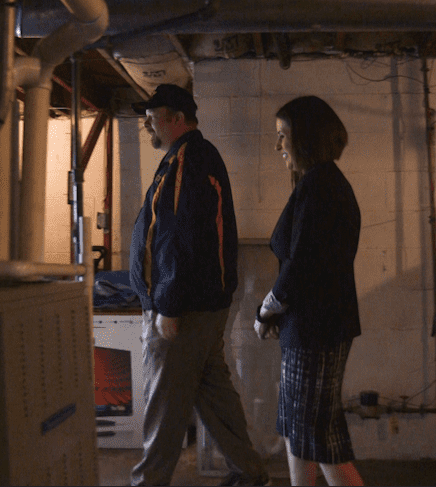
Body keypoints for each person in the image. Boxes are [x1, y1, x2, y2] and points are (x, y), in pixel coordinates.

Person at [128, 84, 271, 487]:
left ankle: (148, 483)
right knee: (214, 397)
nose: (148, 126)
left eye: (153, 118)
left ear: (176, 119)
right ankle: (251, 473)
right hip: (204, 306)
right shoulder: (196, 156)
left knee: (163, 404)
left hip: (184, 309)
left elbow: (179, 234)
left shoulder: (186, 159)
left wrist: (168, 305)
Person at [254, 96, 364, 486]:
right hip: (314, 328)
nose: (278, 145)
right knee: (304, 435)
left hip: (315, 331)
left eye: (283, 135)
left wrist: (267, 310)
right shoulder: (320, 184)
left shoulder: (320, 187)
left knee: (314, 439)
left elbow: (301, 265)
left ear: (305, 138)